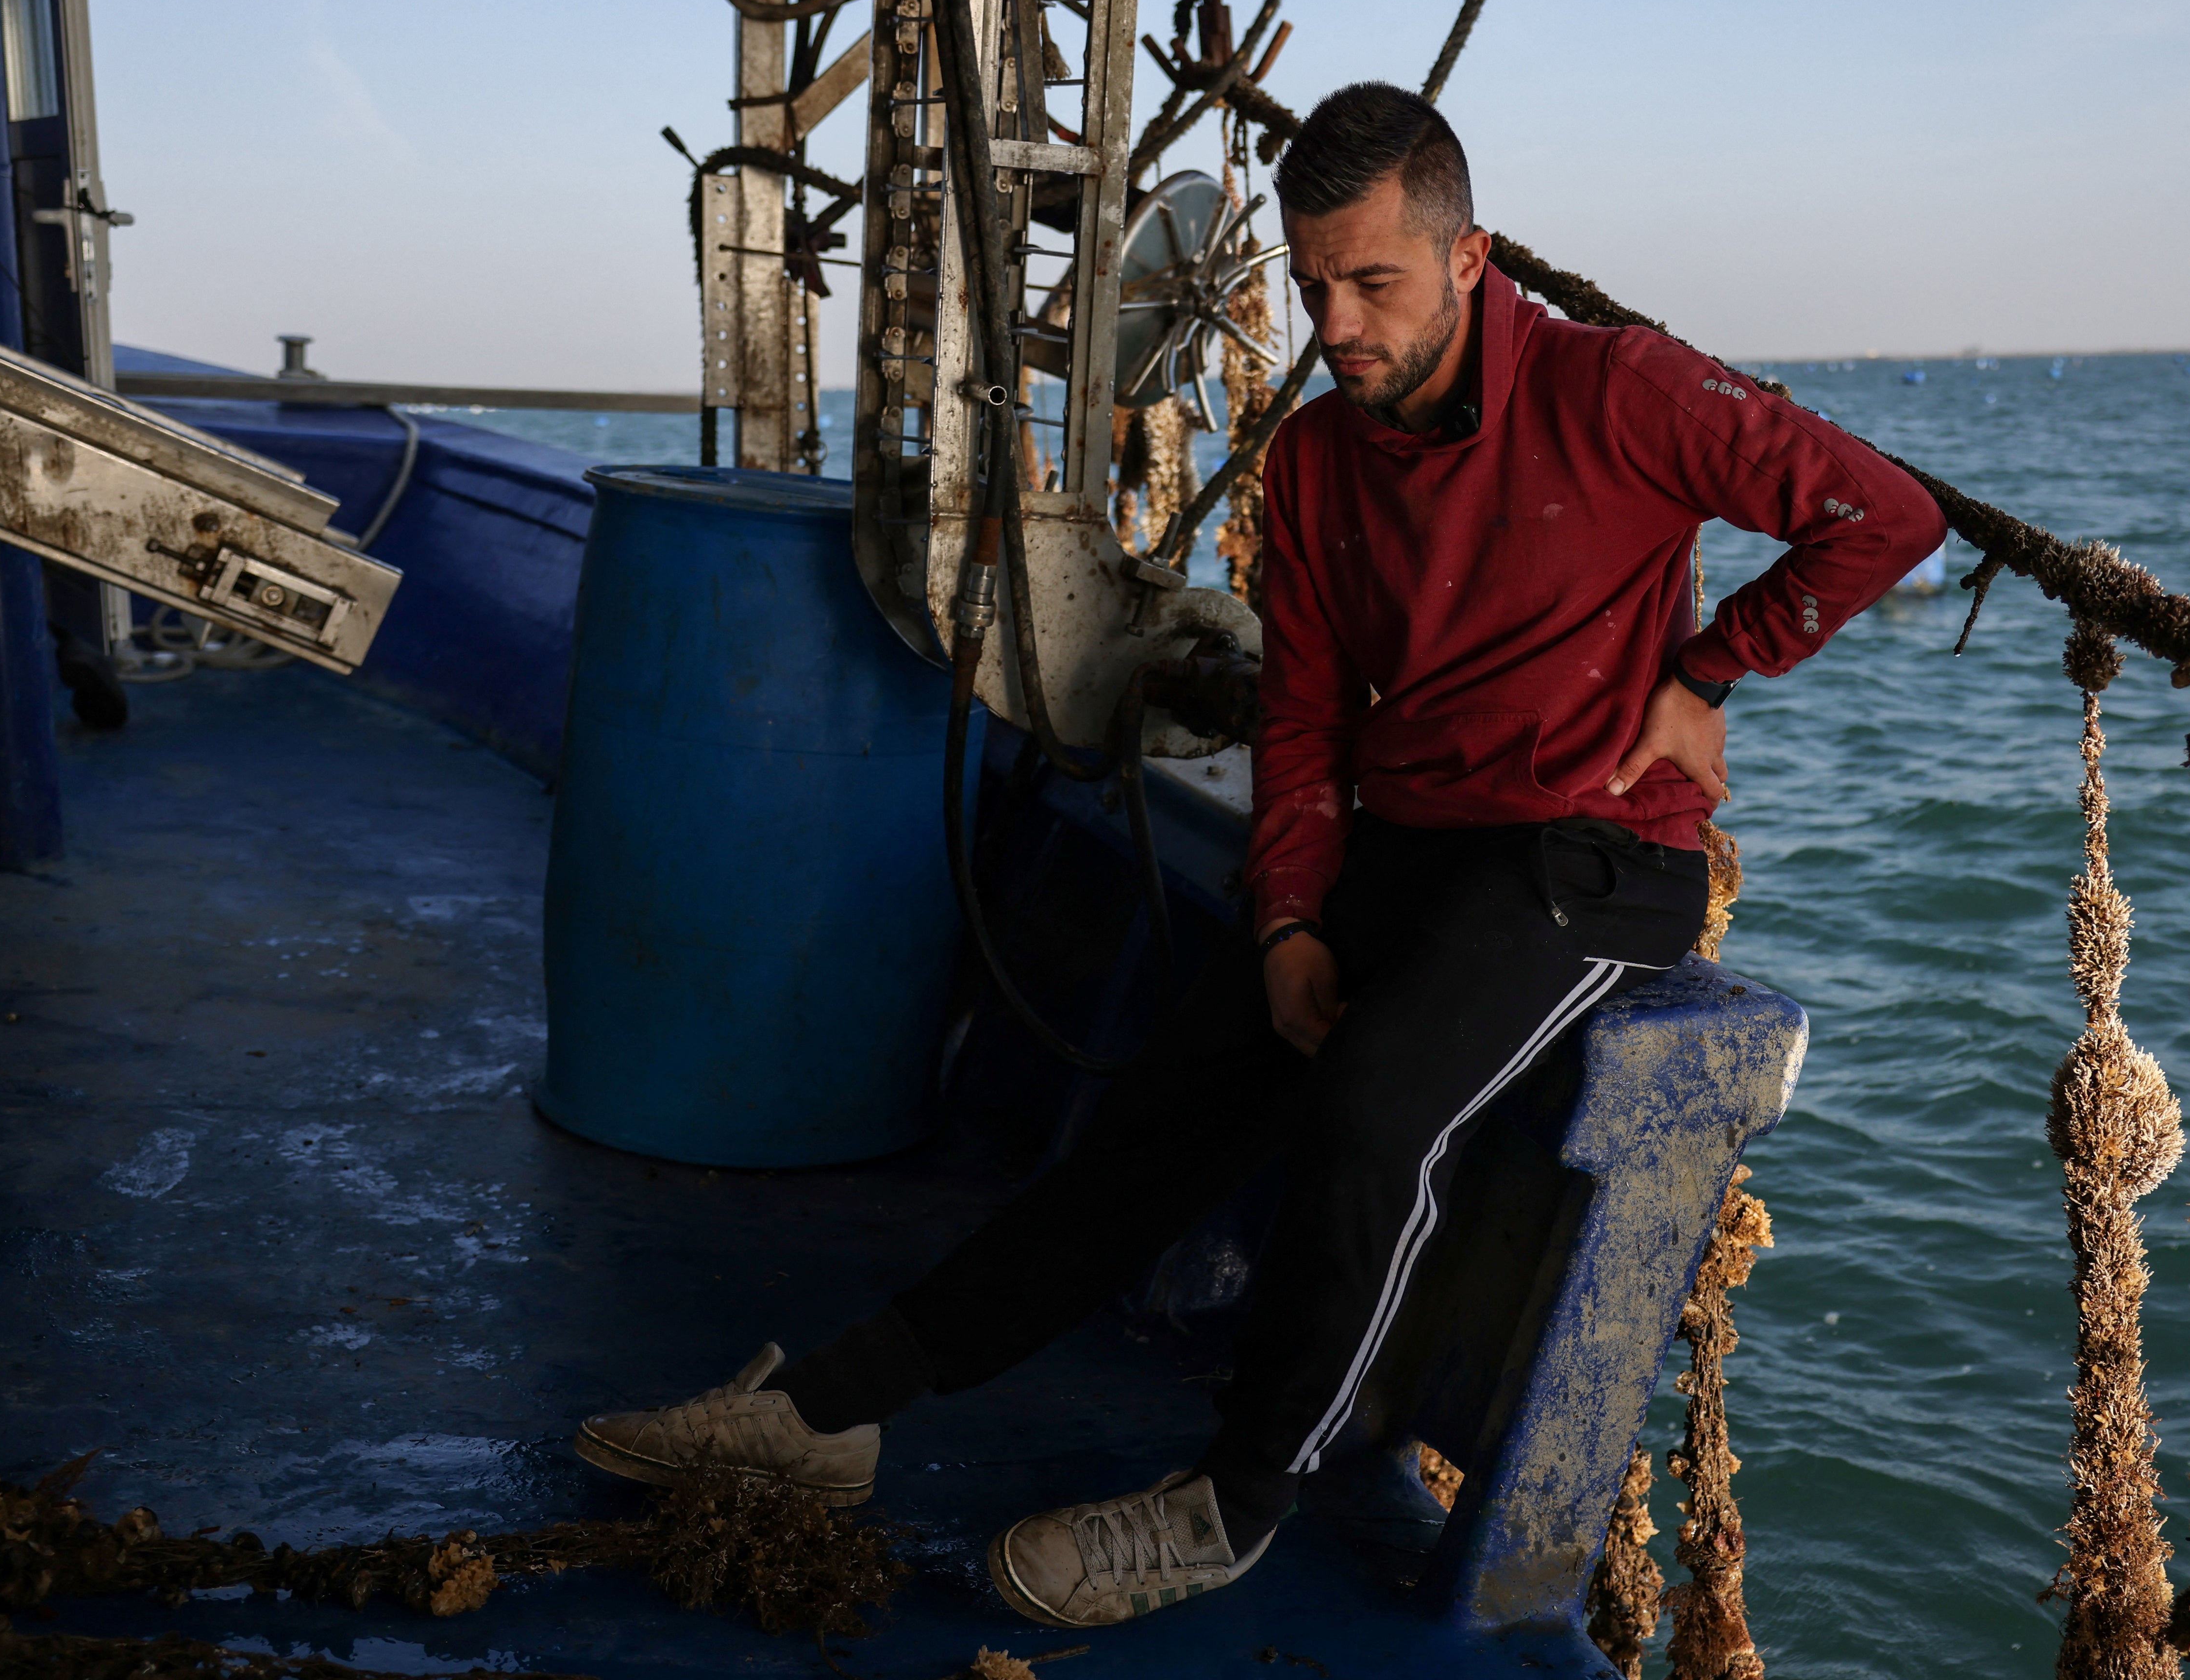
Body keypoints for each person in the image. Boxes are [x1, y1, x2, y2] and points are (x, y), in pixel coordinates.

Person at [569, 82, 1944, 1629]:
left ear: (1471, 258)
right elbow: (1302, 722)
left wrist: (1709, 670)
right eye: (1312, 285)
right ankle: (834, 1410)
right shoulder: (1316, 463)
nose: (1338, 323)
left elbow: (1882, 514)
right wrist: (1291, 918)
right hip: (1404, 849)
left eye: (1375, 284)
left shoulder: (1620, 390)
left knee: (1373, 1114)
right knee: (1152, 1117)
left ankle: (1233, 1503)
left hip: (1589, 856)